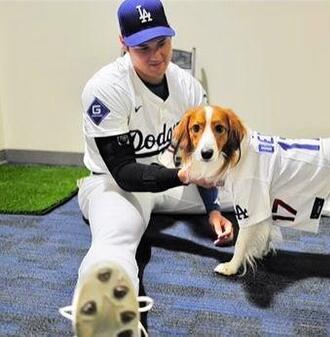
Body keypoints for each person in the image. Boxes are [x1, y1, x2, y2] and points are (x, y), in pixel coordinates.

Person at [59, 0, 234, 336]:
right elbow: (124, 171)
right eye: (143, 47)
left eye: (162, 43)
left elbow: (200, 156)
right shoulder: (105, 87)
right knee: (118, 238)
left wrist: (212, 208)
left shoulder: (186, 86)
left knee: (245, 189)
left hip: (168, 178)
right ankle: (105, 317)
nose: (157, 56)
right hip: (114, 187)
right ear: (123, 44)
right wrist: (182, 176)